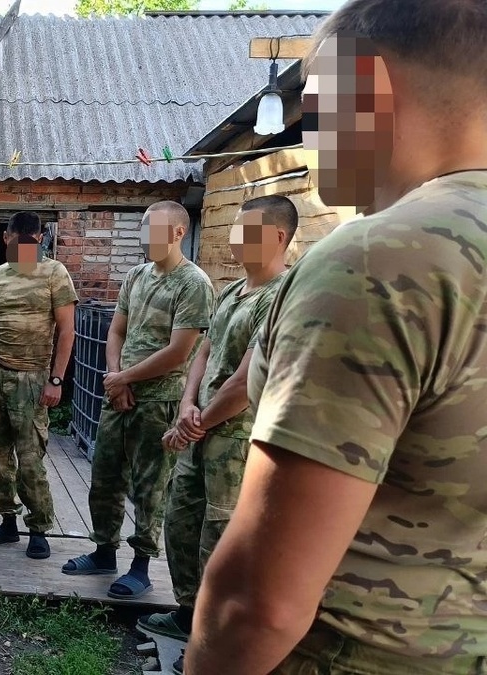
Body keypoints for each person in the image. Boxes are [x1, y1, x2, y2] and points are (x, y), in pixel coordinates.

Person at [186, 1, 487, 673]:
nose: (309, 134)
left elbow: (258, 602)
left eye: (317, 107)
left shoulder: (381, 260)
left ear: (369, 89)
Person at [139, 195, 296, 674]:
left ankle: (215, 643)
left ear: (278, 238)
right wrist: (188, 405)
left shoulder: (280, 297)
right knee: (181, 523)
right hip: (201, 427)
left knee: (220, 540)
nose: (234, 239)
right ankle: (190, 617)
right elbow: (203, 354)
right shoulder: (233, 292)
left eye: (246, 231)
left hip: (236, 441)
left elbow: (249, 380)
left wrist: (197, 421)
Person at [63, 201, 215, 601]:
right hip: (121, 396)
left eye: (156, 229)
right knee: (106, 475)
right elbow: (116, 332)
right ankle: (103, 551)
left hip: (160, 401)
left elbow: (179, 352)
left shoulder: (193, 284)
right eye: (144, 229)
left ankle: (142, 566)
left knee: (151, 487)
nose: (147, 237)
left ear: (179, 233)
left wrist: (124, 379)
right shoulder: (136, 275)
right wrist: (116, 379)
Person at [0, 212, 78, 560]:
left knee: (31, 459)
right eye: (19, 242)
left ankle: (39, 528)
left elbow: (66, 331)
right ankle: (6, 522)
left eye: (32, 241)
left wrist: (56, 380)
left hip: (34, 380)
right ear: (7, 239)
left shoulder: (55, 273)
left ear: (41, 239)